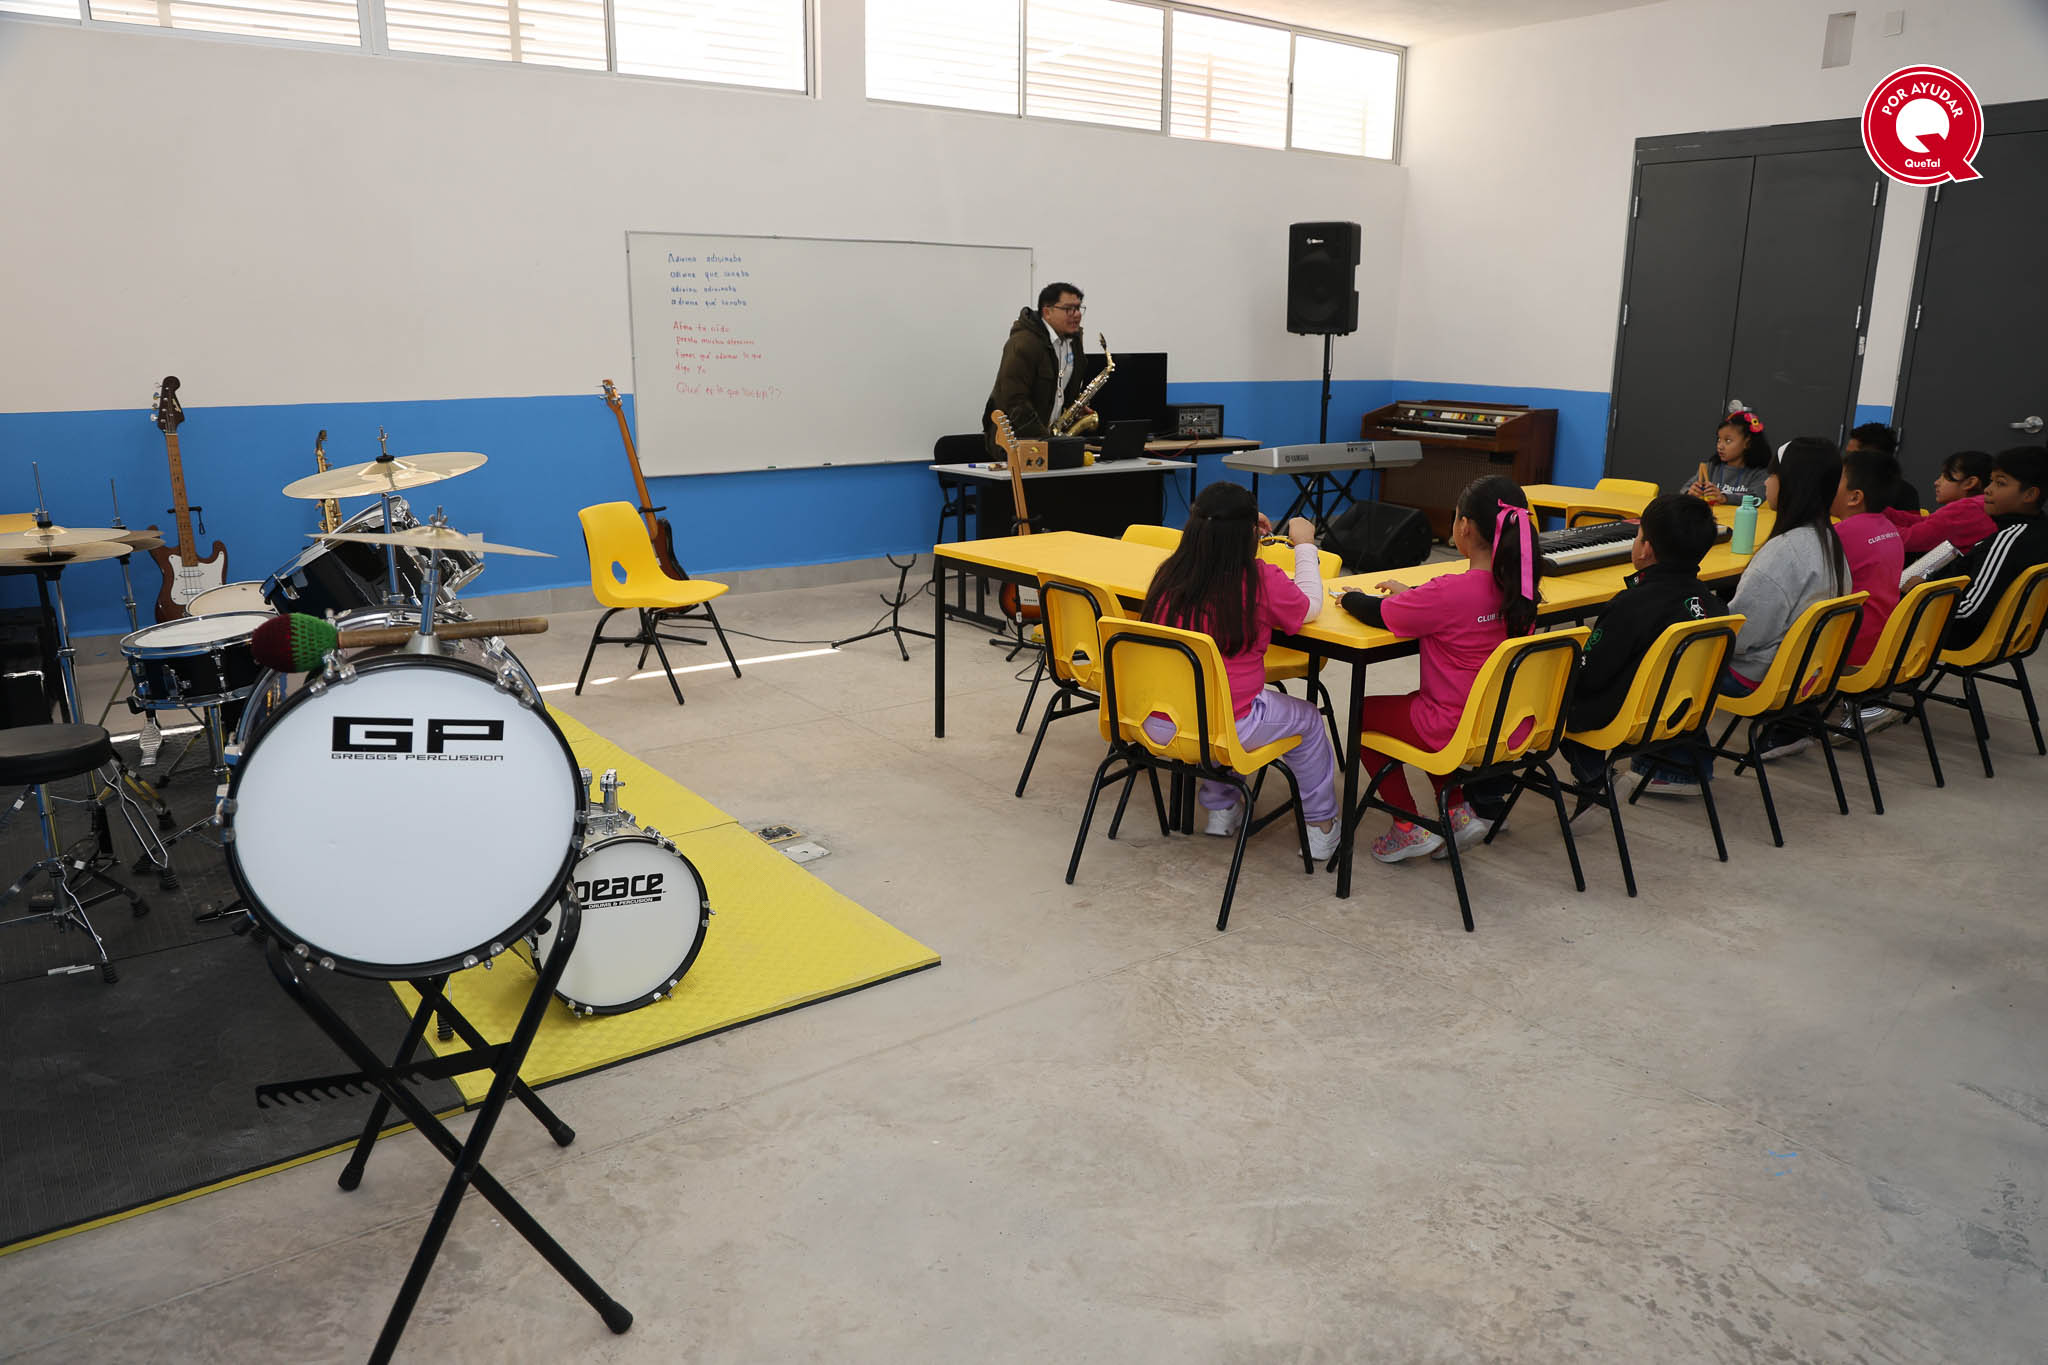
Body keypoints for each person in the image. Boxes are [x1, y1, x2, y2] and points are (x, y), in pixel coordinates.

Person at [1337, 476, 1546, 863]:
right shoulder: (1523, 592)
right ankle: (1457, 813)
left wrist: (1351, 599)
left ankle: (1406, 826)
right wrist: (1414, 597)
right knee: (1416, 703)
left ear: (1464, 526)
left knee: (1364, 714)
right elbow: (1447, 609)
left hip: (1451, 726)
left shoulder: (1449, 592)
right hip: (1504, 725)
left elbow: (1377, 612)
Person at [1140, 482, 1341, 862]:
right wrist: (1304, 546)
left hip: (1160, 720)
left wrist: (1241, 529)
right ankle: (1321, 827)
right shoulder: (1258, 579)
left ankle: (1221, 808)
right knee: (1308, 721)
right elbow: (1310, 606)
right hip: (1226, 726)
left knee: (1211, 697)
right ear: (1248, 535)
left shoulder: (1169, 575)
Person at [1634, 438, 1849, 793]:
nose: (1767, 483)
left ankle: (1676, 769)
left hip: (1760, 674)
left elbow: (1740, 635)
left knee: (1663, 656)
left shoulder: (1784, 552)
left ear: (1791, 484)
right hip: (1803, 673)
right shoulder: (1828, 540)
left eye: (1773, 476)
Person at [1557, 495, 1730, 789]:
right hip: (1681, 712)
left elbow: (1592, 675)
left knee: (1559, 697)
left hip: (1632, 717)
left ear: (1646, 549)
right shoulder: (1712, 605)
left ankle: (1594, 778)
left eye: (1638, 536)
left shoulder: (1630, 605)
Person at [1939, 445, 2048, 653]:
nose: (1988, 489)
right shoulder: (2037, 531)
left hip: (1959, 634)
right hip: (2003, 635)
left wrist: (1917, 604)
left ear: (2029, 494)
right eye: (1991, 481)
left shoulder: (2009, 540)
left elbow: (1971, 610)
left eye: (2000, 483)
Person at [982, 282, 1087, 455]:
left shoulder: (1073, 342)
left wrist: (1075, 410)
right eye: (1069, 309)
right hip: (1016, 441)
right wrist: (1045, 440)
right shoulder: (1023, 343)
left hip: (1050, 439)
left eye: (1078, 308)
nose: (1076, 315)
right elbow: (1014, 401)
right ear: (1047, 312)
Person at [1833, 447, 1906, 668]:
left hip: (1845, 648)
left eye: (1836, 479)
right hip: (1881, 644)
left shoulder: (1841, 534)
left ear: (1855, 497)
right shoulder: (1889, 528)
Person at [1884, 449, 1997, 556]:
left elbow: (1910, 540)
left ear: (1969, 483)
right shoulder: (1978, 507)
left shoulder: (1968, 510)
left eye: (1946, 476)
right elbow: (1925, 522)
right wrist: (1882, 510)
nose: (1937, 482)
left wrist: (1874, 525)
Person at [1685, 407, 1773, 505]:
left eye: (1728, 441)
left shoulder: (1760, 474)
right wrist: (1690, 492)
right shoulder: (1711, 468)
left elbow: (1756, 499)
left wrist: (1725, 498)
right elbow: (1684, 490)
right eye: (1719, 440)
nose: (1720, 446)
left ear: (1747, 443)